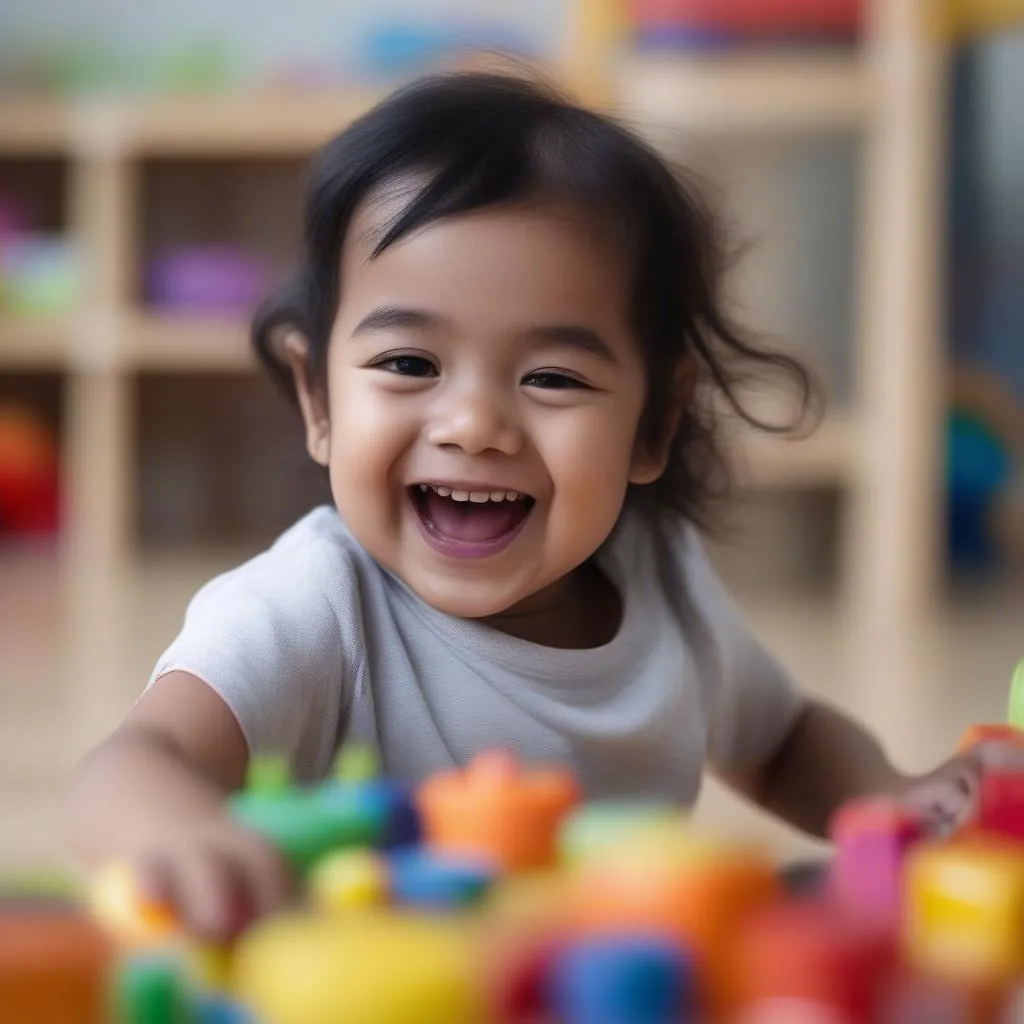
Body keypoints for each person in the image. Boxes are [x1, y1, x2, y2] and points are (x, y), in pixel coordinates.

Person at [65, 70, 1021, 940]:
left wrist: (893, 799)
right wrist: (180, 832)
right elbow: (133, 763)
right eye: (409, 364)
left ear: (653, 424)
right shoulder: (314, 609)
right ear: (318, 399)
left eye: (553, 376)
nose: (475, 423)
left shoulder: (662, 579)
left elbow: (781, 742)